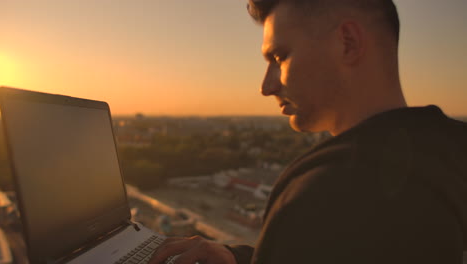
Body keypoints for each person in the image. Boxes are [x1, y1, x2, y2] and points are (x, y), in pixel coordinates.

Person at [150, 0, 467, 263]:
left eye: (279, 56)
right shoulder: (452, 149)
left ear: (348, 43)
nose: (266, 86)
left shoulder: (329, 189)